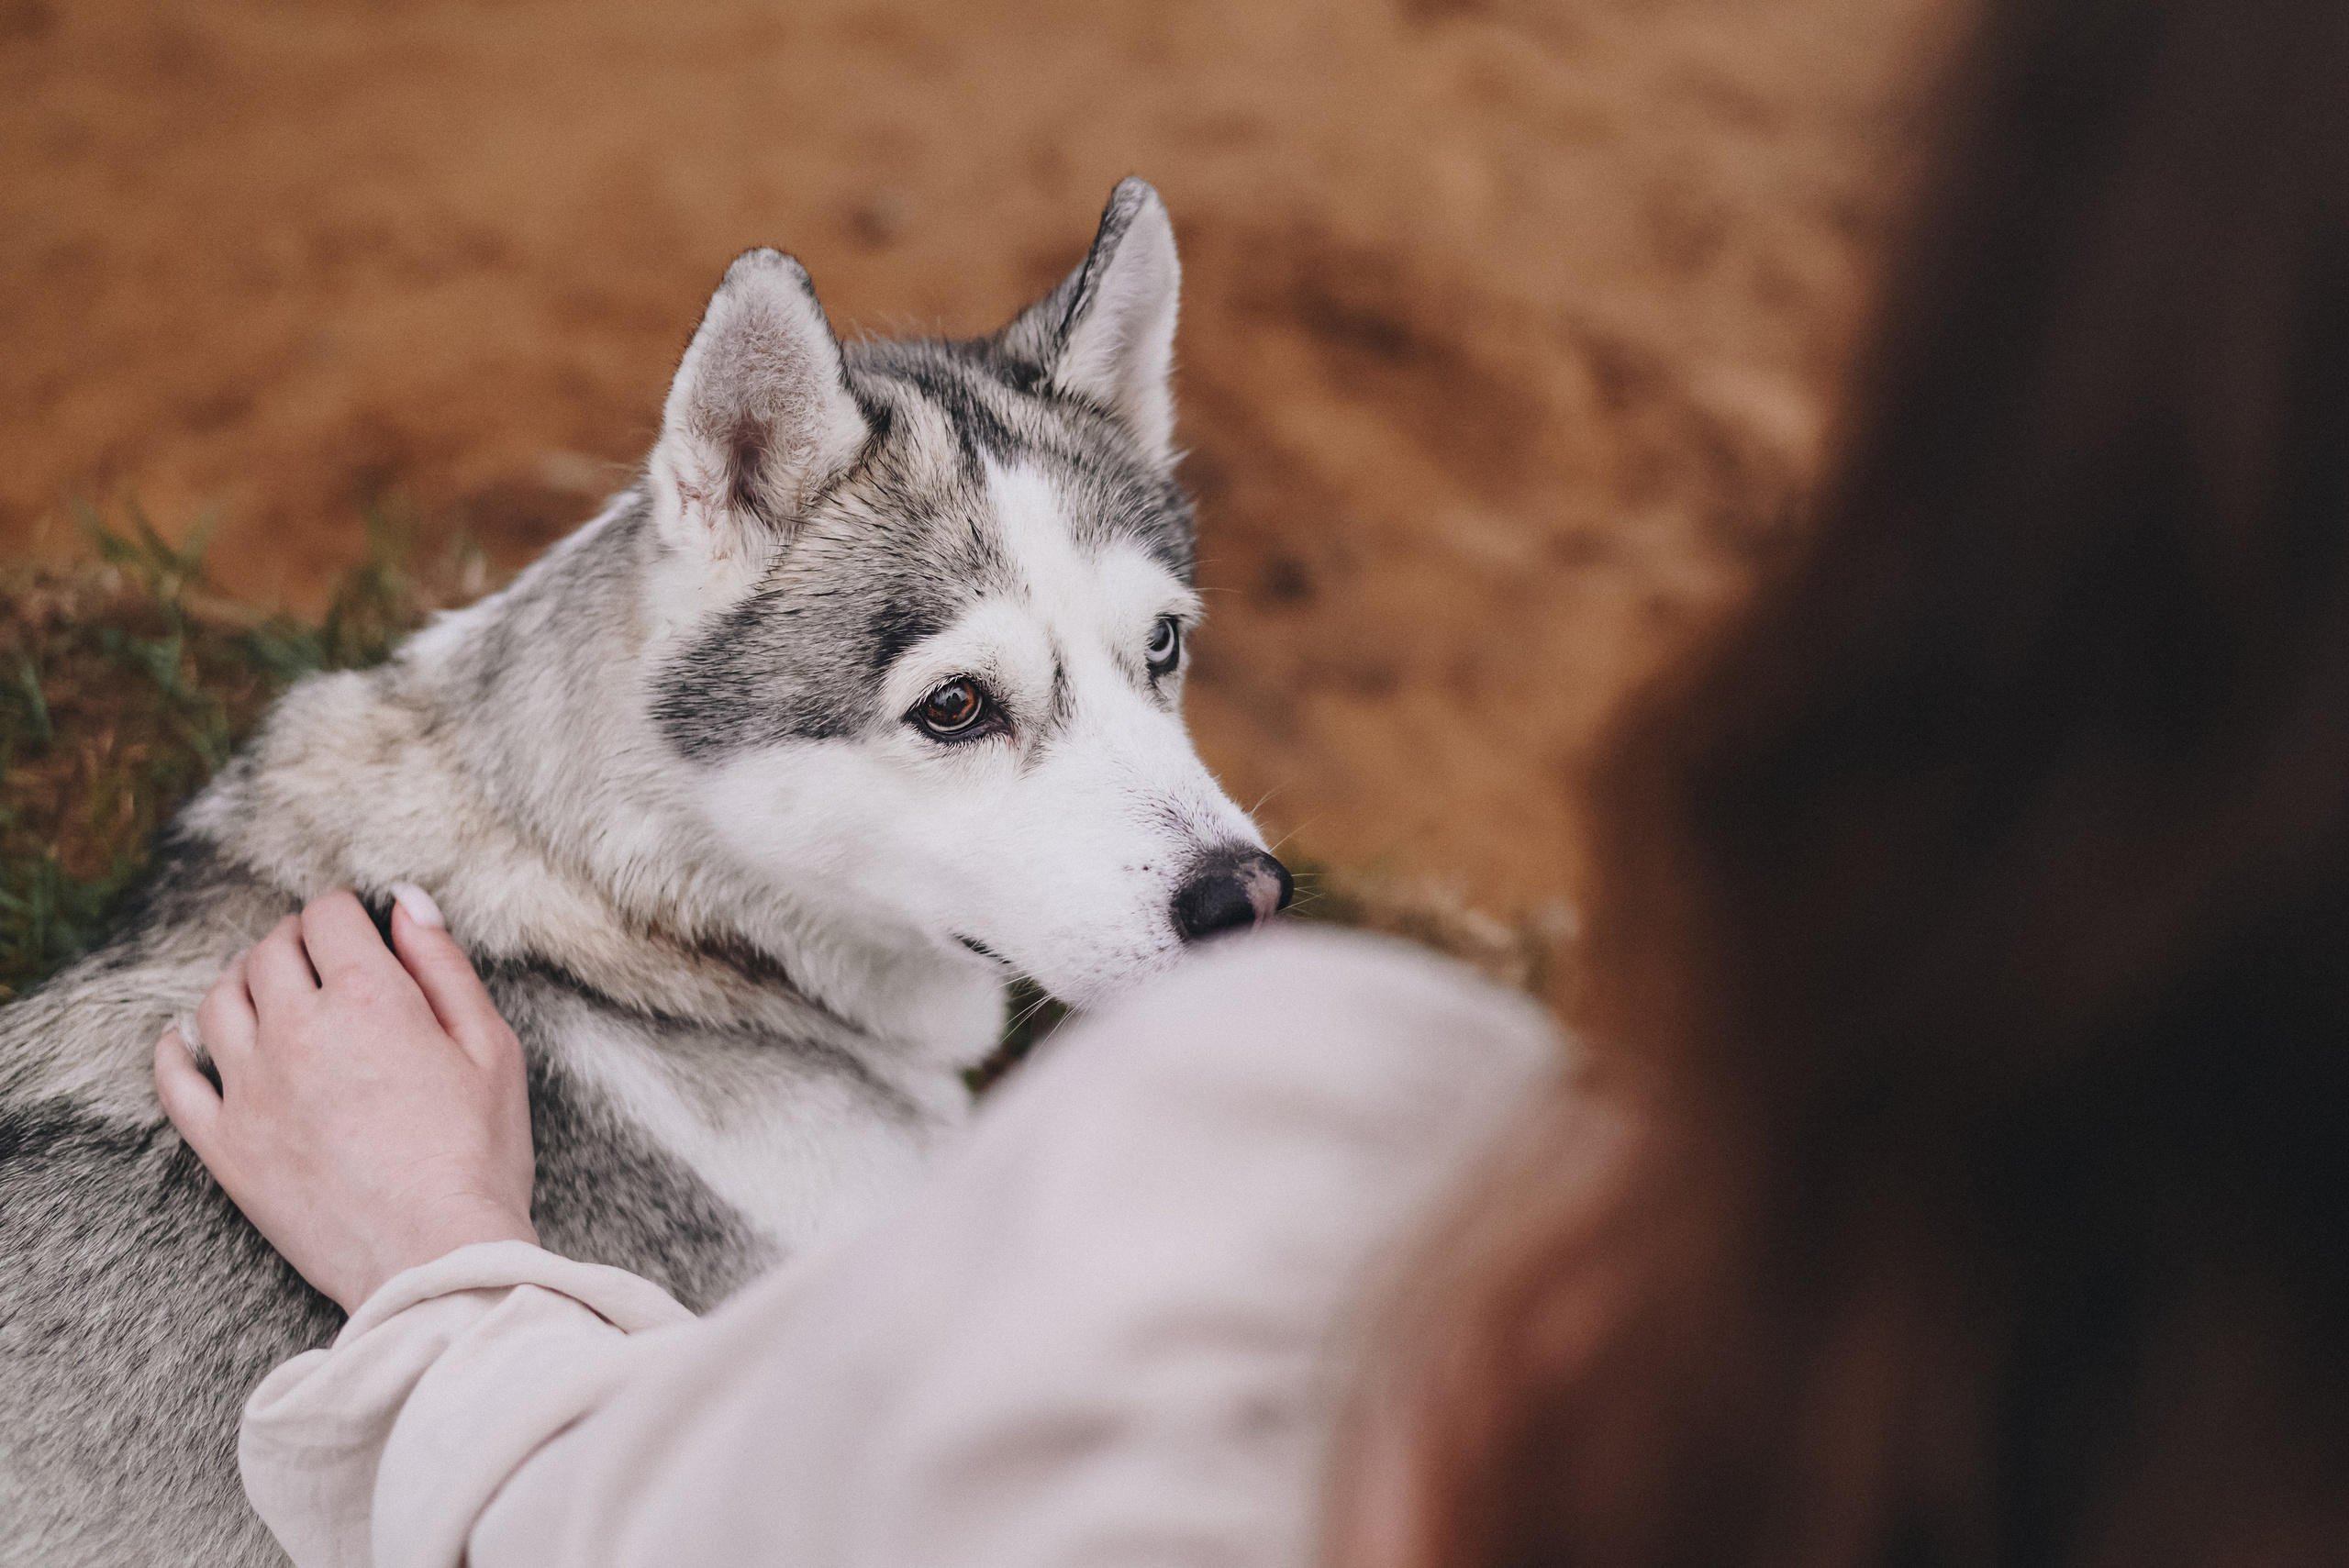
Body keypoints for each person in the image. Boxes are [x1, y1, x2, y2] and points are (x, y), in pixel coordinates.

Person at [157, 0, 2349, 1562]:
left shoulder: (1275, 1201)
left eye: (1152, 663)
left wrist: (446, 1264)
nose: (1218, 854)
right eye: (960, 712)